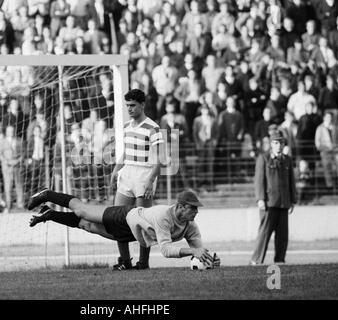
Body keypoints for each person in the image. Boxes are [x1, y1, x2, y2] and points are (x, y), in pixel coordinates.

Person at [27, 188, 220, 268]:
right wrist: (193, 251)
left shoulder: (191, 226)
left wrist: (208, 258)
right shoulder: (164, 216)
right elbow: (166, 250)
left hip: (131, 231)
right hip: (124, 216)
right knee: (83, 212)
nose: (196, 212)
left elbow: (198, 248)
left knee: (87, 226)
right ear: (179, 207)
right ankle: (47, 194)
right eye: (192, 208)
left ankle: (49, 214)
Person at [109, 88, 165, 270]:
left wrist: (150, 181)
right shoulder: (126, 126)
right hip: (127, 174)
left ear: (142, 105)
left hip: (144, 175)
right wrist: (115, 170)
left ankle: (143, 263)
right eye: (127, 106)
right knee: (117, 219)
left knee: (142, 221)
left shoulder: (153, 128)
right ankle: (125, 261)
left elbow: (160, 159)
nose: (130, 109)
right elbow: (126, 153)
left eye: (133, 105)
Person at [250, 130, 296, 265]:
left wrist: (292, 200)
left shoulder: (287, 160)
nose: (279, 145)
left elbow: (291, 181)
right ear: (271, 144)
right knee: (264, 234)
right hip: (269, 203)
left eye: (281, 142)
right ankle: (256, 260)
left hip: (283, 202)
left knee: (283, 235)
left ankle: (280, 260)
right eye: (276, 142)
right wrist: (260, 199)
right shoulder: (263, 158)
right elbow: (259, 180)